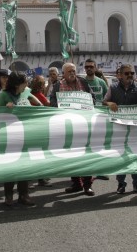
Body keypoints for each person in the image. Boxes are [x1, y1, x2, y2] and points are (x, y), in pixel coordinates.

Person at [103, 64, 137, 195]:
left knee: (135, 156)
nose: (130, 75)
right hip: (118, 130)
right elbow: (104, 102)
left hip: (135, 130)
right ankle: (121, 184)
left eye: (132, 73)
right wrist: (109, 103)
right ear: (120, 75)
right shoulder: (113, 88)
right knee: (121, 157)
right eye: (127, 73)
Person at [54, 63, 96, 196]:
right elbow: (52, 103)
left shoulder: (83, 83)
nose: (72, 73)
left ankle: (87, 185)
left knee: (86, 155)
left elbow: (93, 98)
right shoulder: (58, 85)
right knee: (71, 156)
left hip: (83, 125)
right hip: (67, 126)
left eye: (74, 71)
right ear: (63, 74)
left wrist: (87, 103)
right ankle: (76, 183)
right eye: (69, 71)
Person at [0, 71, 36, 207]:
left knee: (25, 167)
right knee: (11, 167)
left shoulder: (25, 92)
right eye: (25, 82)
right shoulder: (3, 95)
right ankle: (8, 196)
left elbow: (40, 106)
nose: (27, 84)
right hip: (9, 137)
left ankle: (24, 195)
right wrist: (5, 110)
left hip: (26, 135)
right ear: (17, 84)